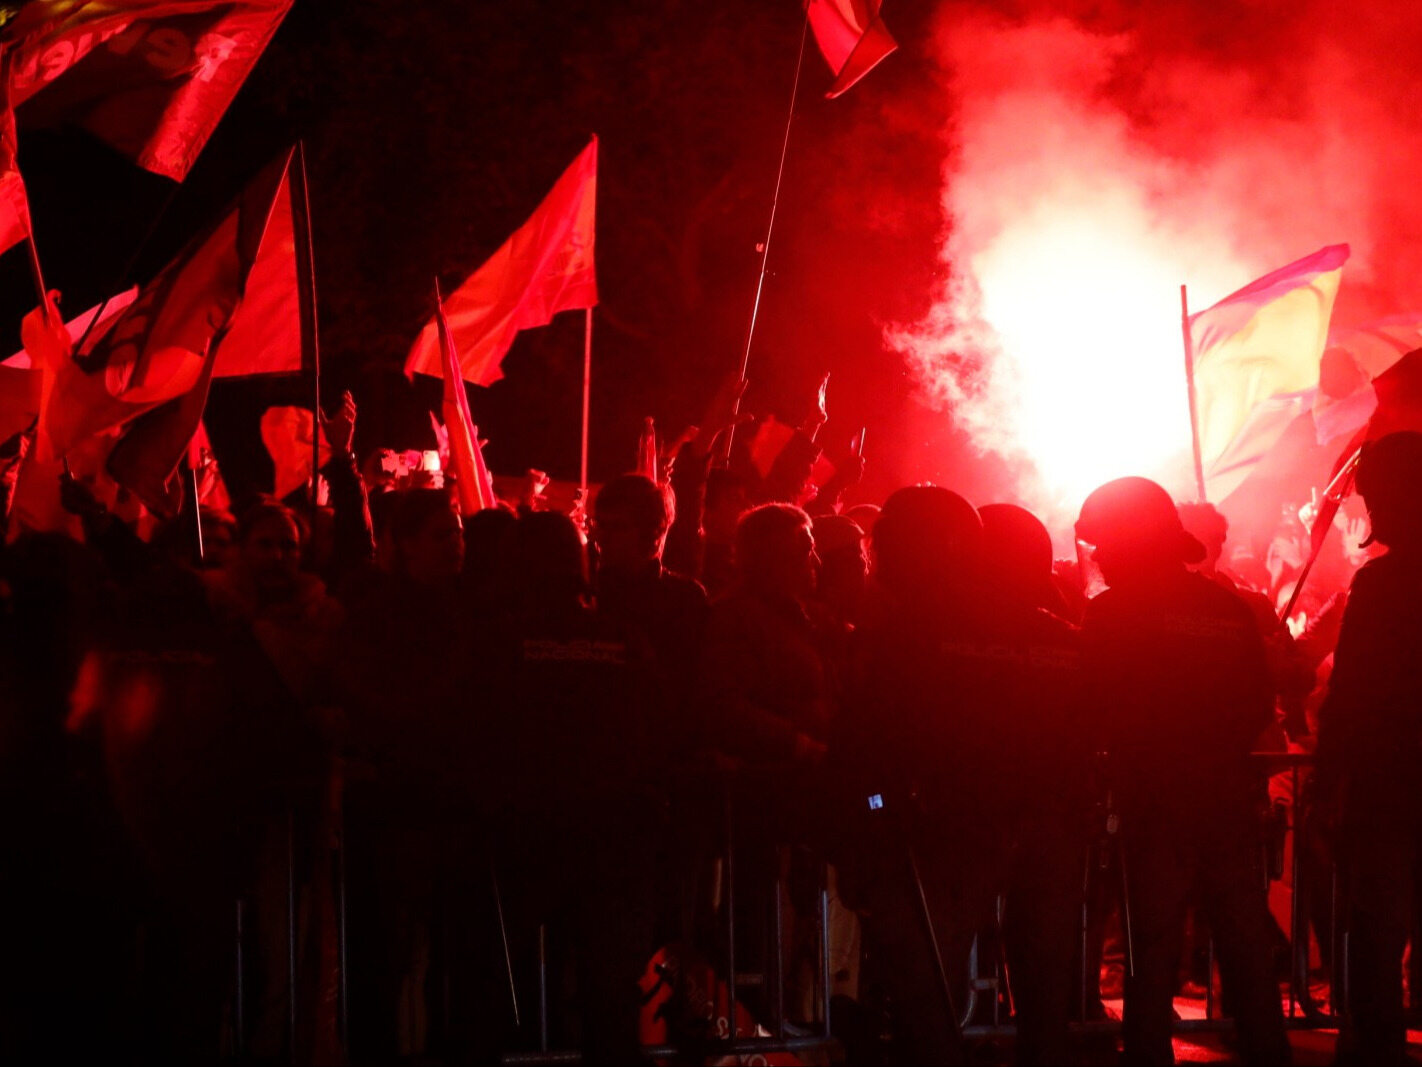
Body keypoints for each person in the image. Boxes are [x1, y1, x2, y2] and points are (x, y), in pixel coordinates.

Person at [839, 488, 1084, 1065]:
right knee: (1046, 1002)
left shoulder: (909, 631)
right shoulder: (1058, 637)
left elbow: (867, 745)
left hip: (944, 830)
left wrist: (873, 817)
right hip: (1049, 829)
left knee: (928, 997)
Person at [1076, 477, 1290, 1066]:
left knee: (1154, 940)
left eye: (1103, 544)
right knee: (1243, 936)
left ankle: (1148, 1053)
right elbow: (1255, 700)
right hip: (1224, 795)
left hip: (1152, 797)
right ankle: (1268, 1050)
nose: (1098, 557)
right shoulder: (1225, 609)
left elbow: (1090, 703)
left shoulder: (1113, 612)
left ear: (1127, 542)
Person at [1315, 431, 1422, 1065]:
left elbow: (1352, 693)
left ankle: (1375, 1051)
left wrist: (1328, 786)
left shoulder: (1383, 585)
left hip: (1388, 786)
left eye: (1378, 495)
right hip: (1391, 781)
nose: (1371, 509)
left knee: (1377, 927)